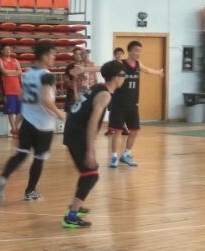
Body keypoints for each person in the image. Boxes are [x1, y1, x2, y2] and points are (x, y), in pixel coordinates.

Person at [0, 41, 65, 202]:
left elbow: (22, 97)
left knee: (21, 154)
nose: (54, 57)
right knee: (39, 159)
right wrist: (60, 113)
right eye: (53, 55)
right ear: (44, 56)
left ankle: (3, 177)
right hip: (44, 125)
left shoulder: (28, 73)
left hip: (28, 122)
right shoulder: (47, 76)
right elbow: (46, 100)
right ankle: (30, 191)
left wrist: (17, 122)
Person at [61, 60, 126, 229]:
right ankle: (71, 216)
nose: (124, 78)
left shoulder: (98, 87)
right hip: (77, 135)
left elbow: (105, 68)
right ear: (115, 77)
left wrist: (85, 68)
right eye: (122, 75)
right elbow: (92, 122)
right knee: (91, 175)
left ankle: (76, 204)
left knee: (87, 173)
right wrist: (90, 150)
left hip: (72, 131)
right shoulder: (105, 95)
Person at [108, 40, 164, 168]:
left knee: (134, 131)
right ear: (130, 51)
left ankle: (126, 154)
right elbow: (102, 68)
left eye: (140, 51)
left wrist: (158, 73)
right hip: (119, 103)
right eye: (136, 51)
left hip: (133, 104)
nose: (138, 53)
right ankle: (114, 156)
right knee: (117, 131)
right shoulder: (120, 64)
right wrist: (84, 69)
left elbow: (147, 70)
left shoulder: (138, 64)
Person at [0, 43, 23, 137]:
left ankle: (14, 128)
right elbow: (4, 72)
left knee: (21, 110)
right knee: (11, 111)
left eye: (9, 49)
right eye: (6, 49)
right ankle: (15, 130)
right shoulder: (0, 60)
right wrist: (14, 72)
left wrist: (10, 73)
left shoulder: (15, 60)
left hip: (18, 88)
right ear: (2, 51)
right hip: (8, 89)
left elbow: (20, 71)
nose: (8, 51)